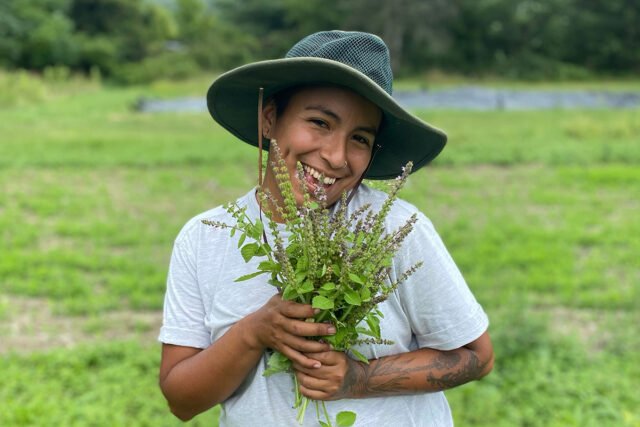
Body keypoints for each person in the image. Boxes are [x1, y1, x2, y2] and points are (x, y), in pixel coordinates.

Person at [158, 30, 493, 426]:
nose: (335, 156)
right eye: (319, 122)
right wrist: (254, 333)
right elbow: (182, 400)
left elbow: (476, 356)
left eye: (360, 139)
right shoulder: (204, 238)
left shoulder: (393, 230)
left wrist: (359, 378)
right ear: (270, 119)